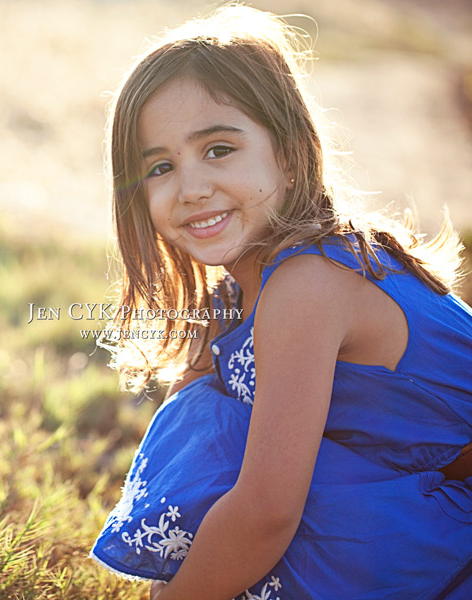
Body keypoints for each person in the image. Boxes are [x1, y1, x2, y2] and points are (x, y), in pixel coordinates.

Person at [89, 4, 472, 599]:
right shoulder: (228, 296)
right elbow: (182, 454)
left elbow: (267, 510)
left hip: (451, 535)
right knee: (205, 415)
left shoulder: (308, 284)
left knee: (246, 457)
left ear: (291, 154)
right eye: (160, 167)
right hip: (410, 510)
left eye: (218, 149)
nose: (191, 188)